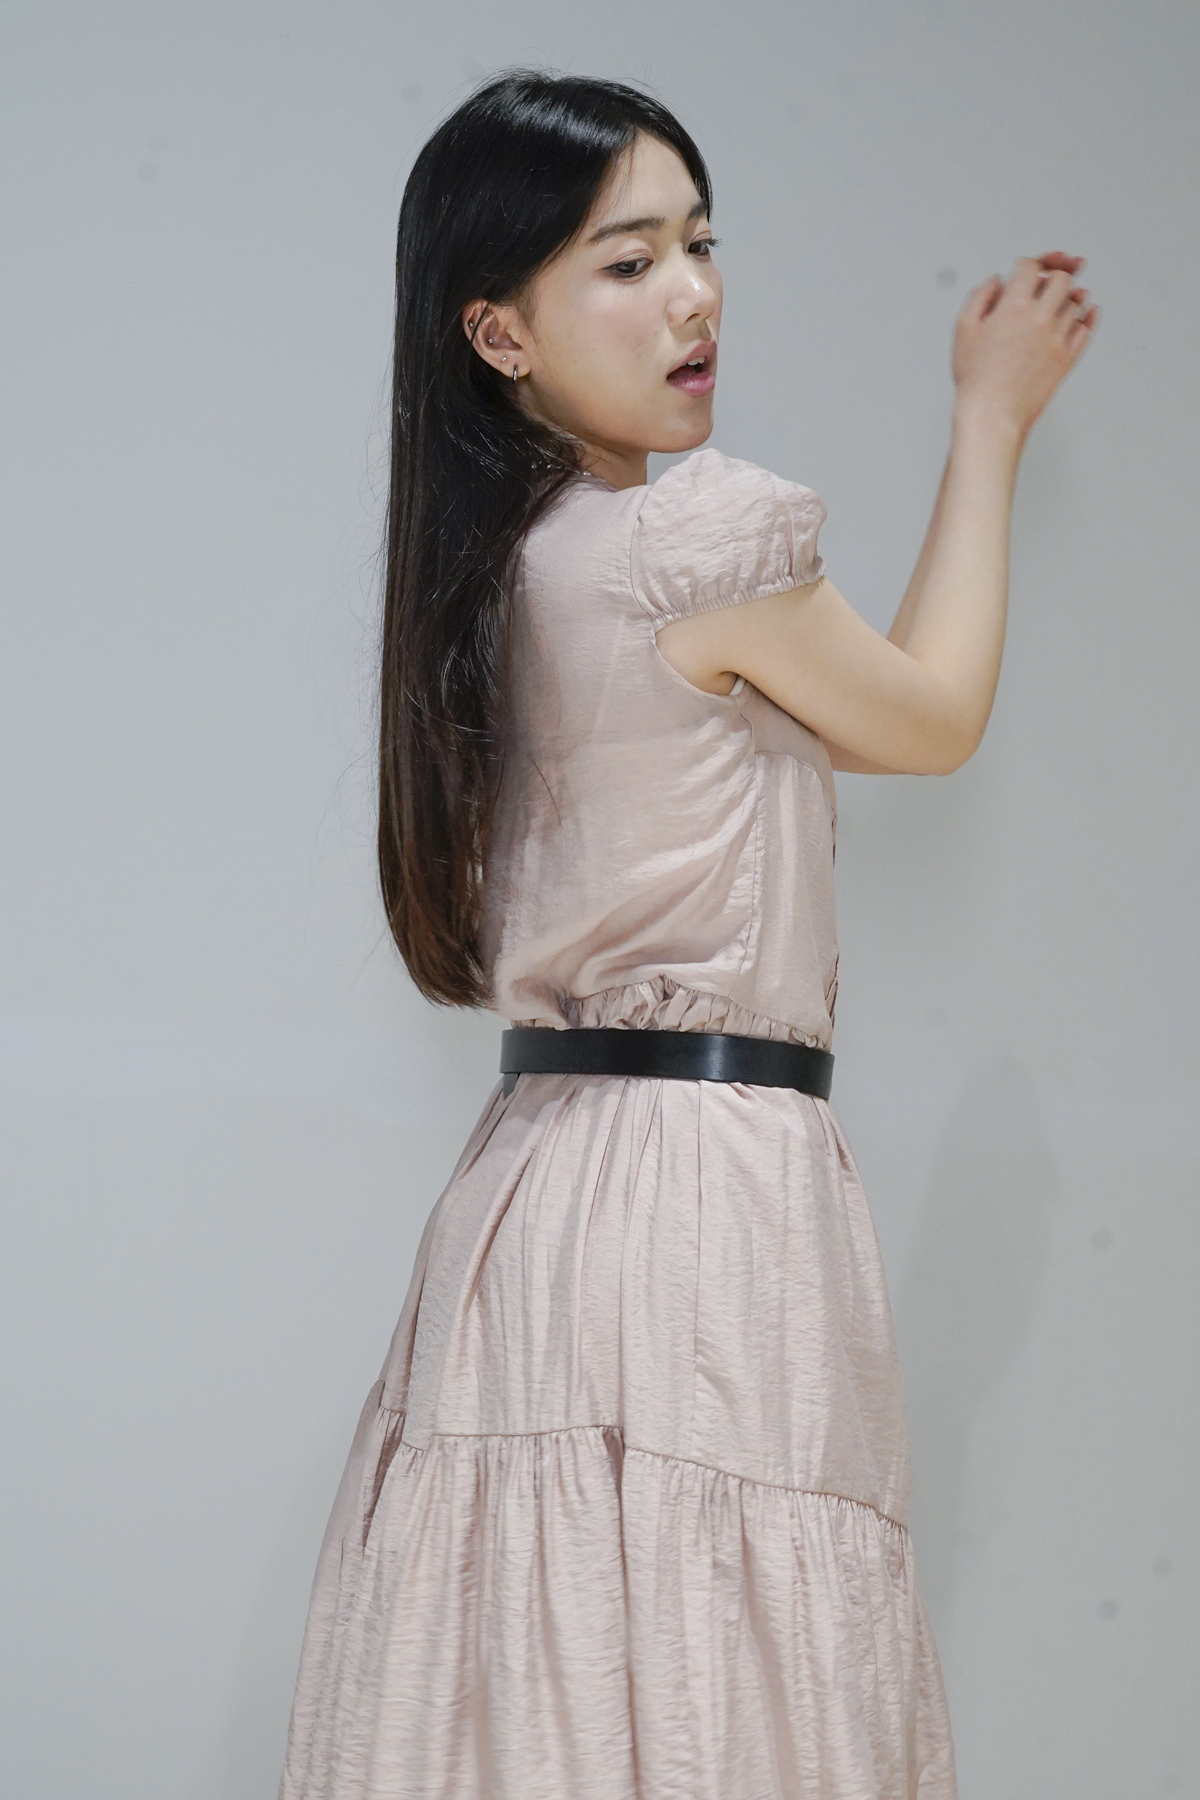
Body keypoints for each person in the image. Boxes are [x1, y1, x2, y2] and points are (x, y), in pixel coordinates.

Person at [278, 69, 1097, 1800]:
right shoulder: (697, 545)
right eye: (628, 260)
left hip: (530, 1193)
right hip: (703, 1185)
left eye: (702, 243)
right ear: (498, 331)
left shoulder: (490, 568)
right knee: (732, 1691)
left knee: (542, 1691)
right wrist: (991, 421)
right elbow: (932, 716)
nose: (695, 296)